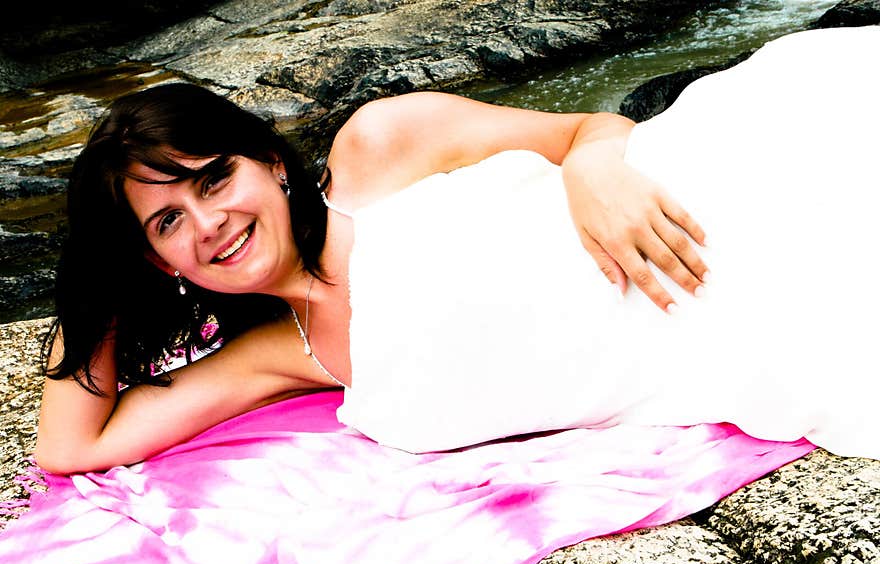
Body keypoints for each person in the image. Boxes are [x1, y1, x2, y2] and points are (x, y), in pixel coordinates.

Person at [34, 25, 880, 476]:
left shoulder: (380, 149)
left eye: (215, 180)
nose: (207, 222)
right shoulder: (282, 356)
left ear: (268, 162)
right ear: (157, 264)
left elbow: (595, 128)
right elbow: (72, 448)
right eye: (167, 222)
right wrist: (97, 271)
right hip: (741, 345)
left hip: (726, 196)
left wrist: (590, 164)